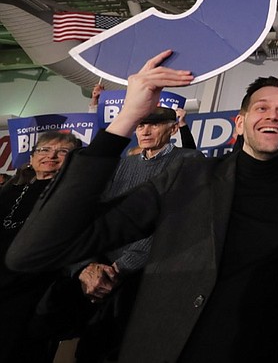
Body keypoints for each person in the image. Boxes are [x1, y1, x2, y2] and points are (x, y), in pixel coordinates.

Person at [6, 50, 278, 363]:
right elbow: (33, 252)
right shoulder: (189, 175)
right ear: (240, 123)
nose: (273, 115)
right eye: (261, 107)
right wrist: (126, 118)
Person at [72, 106, 203, 362]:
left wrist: (121, 267)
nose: (145, 130)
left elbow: (176, 221)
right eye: (141, 125)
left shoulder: (189, 161)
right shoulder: (124, 164)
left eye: (154, 124)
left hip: (151, 275)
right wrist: (91, 266)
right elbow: (100, 216)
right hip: (104, 278)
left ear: (173, 128)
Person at [0, 131, 80, 362]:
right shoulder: (12, 189)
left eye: (62, 152)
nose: (51, 156)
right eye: (44, 150)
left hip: (32, 292)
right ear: (33, 157)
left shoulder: (72, 194)